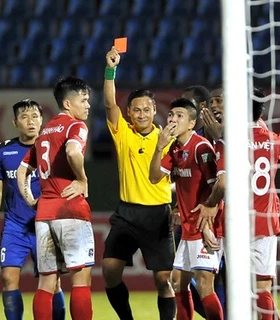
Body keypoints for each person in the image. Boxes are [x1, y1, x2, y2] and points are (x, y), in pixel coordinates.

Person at [102, 47, 176, 320]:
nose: (142, 114)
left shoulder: (168, 138)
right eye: (137, 110)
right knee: (110, 272)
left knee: (164, 280)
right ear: (129, 113)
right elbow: (110, 104)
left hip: (158, 213)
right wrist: (111, 69)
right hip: (127, 214)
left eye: (147, 109)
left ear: (155, 110)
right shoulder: (123, 134)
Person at [17, 76, 94, 320]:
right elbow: (72, 151)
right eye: (83, 100)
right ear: (68, 104)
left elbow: (22, 171)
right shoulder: (75, 126)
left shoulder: (44, 132)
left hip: (44, 215)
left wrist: (31, 200)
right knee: (80, 280)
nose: (88, 105)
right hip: (70, 210)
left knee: (46, 282)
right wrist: (82, 180)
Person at [0, 99, 65, 320]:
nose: (30, 121)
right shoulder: (3, 151)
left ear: (42, 120)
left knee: (53, 283)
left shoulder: (54, 148)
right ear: (15, 122)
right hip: (15, 226)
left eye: (35, 116)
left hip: (46, 224)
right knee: (9, 279)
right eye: (24, 117)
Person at [149, 98, 224, 320]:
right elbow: (154, 177)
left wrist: (210, 227)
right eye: (171, 115)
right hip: (189, 229)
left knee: (204, 284)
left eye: (179, 115)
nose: (172, 119)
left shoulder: (201, 147)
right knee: (178, 282)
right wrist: (159, 146)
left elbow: (218, 190)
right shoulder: (174, 148)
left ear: (191, 123)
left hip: (204, 228)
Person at [248, 87, 280, 320]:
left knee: (239, 285)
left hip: (237, 220)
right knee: (263, 288)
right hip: (266, 220)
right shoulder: (277, 141)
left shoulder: (227, 142)